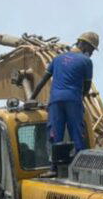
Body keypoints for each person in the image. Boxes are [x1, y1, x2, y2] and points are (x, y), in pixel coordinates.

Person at [35, 31, 99, 169]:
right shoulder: (87, 62)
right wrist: (80, 98)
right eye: (92, 49)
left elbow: (42, 81)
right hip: (73, 100)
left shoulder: (57, 58)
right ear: (84, 45)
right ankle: (80, 167)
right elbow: (86, 87)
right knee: (76, 133)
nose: (92, 53)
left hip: (55, 101)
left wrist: (31, 98)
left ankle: (53, 168)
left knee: (55, 134)